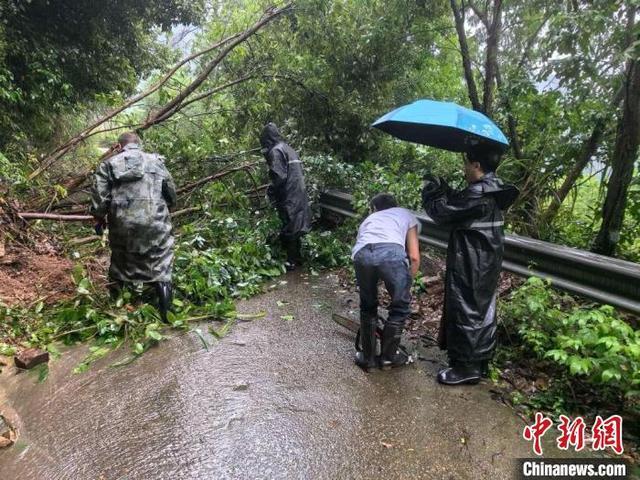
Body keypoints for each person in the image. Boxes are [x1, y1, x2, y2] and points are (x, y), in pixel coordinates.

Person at [421, 143, 519, 385]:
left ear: (476, 165)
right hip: (485, 259)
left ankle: (466, 368)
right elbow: (462, 203)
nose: (464, 168)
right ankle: (478, 362)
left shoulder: (479, 195)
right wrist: (446, 190)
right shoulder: (491, 190)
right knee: (480, 308)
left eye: (466, 163)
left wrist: (431, 194)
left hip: (472, 261)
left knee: (466, 308)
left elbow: (444, 213)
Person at [90, 132, 177, 321]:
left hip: (122, 222)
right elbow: (170, 191)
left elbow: (100, 197)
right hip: (155, 220)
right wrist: (167, 206)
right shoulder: (156, 161)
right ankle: (166, 314)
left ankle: (116, 311)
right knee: (160, 262)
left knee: (121, 260)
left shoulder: (108, 164)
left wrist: (98, 218)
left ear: (119, 147)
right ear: (139, 145)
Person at [352, 193, 421, 371]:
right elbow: (414, 256)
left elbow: (365, 244)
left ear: (374, 208)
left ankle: (368, 360)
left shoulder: (369, 219)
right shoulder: (405, 213)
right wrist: (406, 284)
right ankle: (389, 358)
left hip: (362, 255)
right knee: (400, 307)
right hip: (391, 253)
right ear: (395, 205)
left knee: (368, 306)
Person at [260, 122, 311, 270]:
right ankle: (298, 258)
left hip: (289, 193)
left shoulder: (276, 151)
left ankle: (291, 261)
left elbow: (279, 177)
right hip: (299, 191)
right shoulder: (288, 148)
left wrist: (271, 190)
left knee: (289, 225)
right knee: (296, 225)